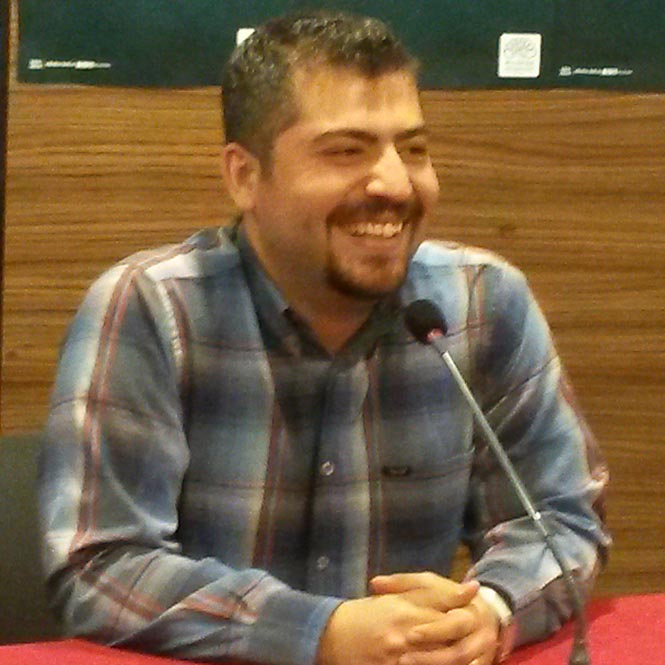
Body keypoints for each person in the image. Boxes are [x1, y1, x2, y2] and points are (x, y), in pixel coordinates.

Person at [39, 11, 610, 665]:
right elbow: (100, 563)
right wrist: (321, 632)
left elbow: (562, 519)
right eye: (346, 151)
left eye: (413, 149)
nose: (396, 184)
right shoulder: (152, 308)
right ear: (244, 176)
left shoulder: (484, 301)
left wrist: (489, 611)